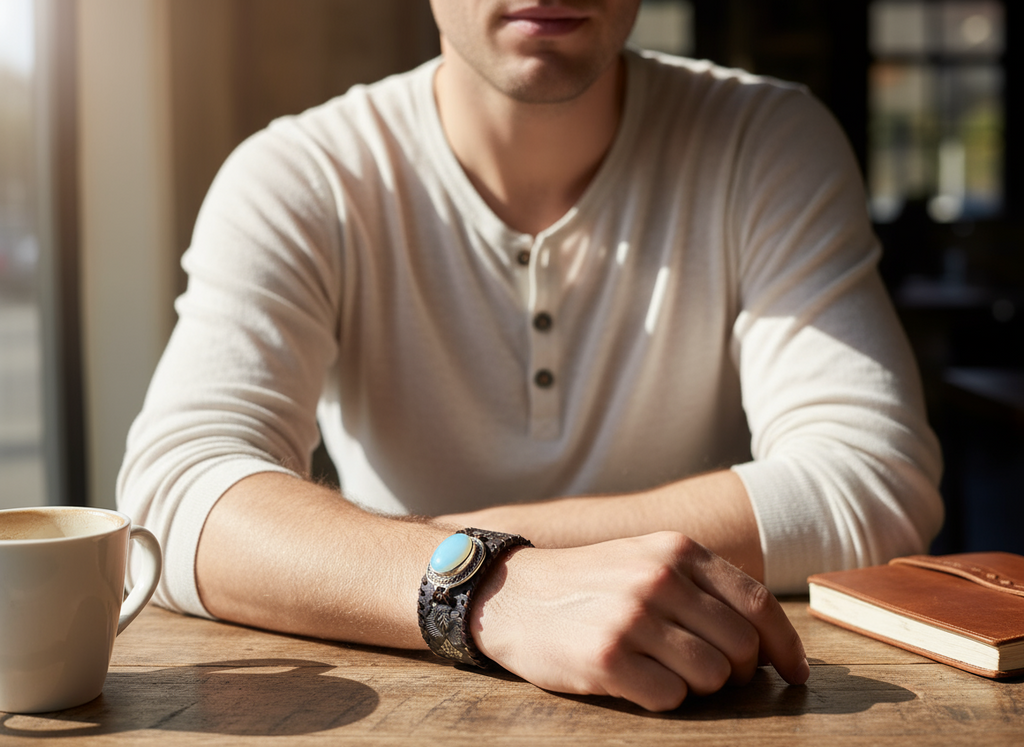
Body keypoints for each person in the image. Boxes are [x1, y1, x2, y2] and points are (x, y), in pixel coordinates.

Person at [118, 1, 943, 712]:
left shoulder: (765, 140)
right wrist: (495, 593)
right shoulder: (303, 175)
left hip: (706, 702)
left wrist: (434, 561)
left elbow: (871, 484)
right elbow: (174, 497)